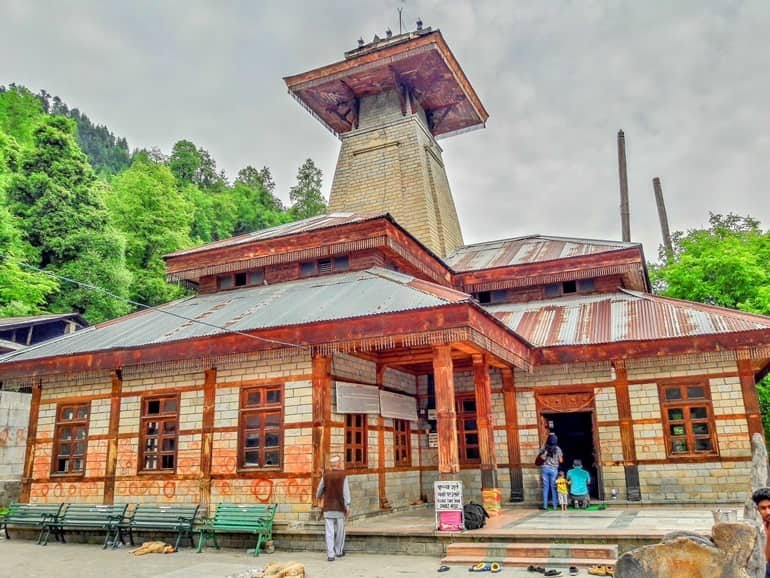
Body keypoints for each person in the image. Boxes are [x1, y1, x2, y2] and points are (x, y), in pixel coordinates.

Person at [316, 455, 351, 561]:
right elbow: (346, 493)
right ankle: (338, 551)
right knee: (340, 531)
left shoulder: (325, 476)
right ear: (339, 464)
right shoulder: (343, 476)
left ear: (331, 465)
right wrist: (347, 505)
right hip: (340, 507)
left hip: (328, 506)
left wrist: (319, 497)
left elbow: (319, 491)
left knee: (329, 531)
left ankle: (330, 555)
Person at [539, 433, 563, 510]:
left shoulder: (544, 447)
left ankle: (545, 506)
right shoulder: (558, 449)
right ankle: (555, 506)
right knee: (553, 487)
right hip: (554, 470)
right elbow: (561, 460)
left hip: (545, 469)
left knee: (545, 488)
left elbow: (541, 457)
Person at [751, 487, 770, 578]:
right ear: (757, 510)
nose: (768, 512)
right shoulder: (763, 525)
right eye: (763, 508)